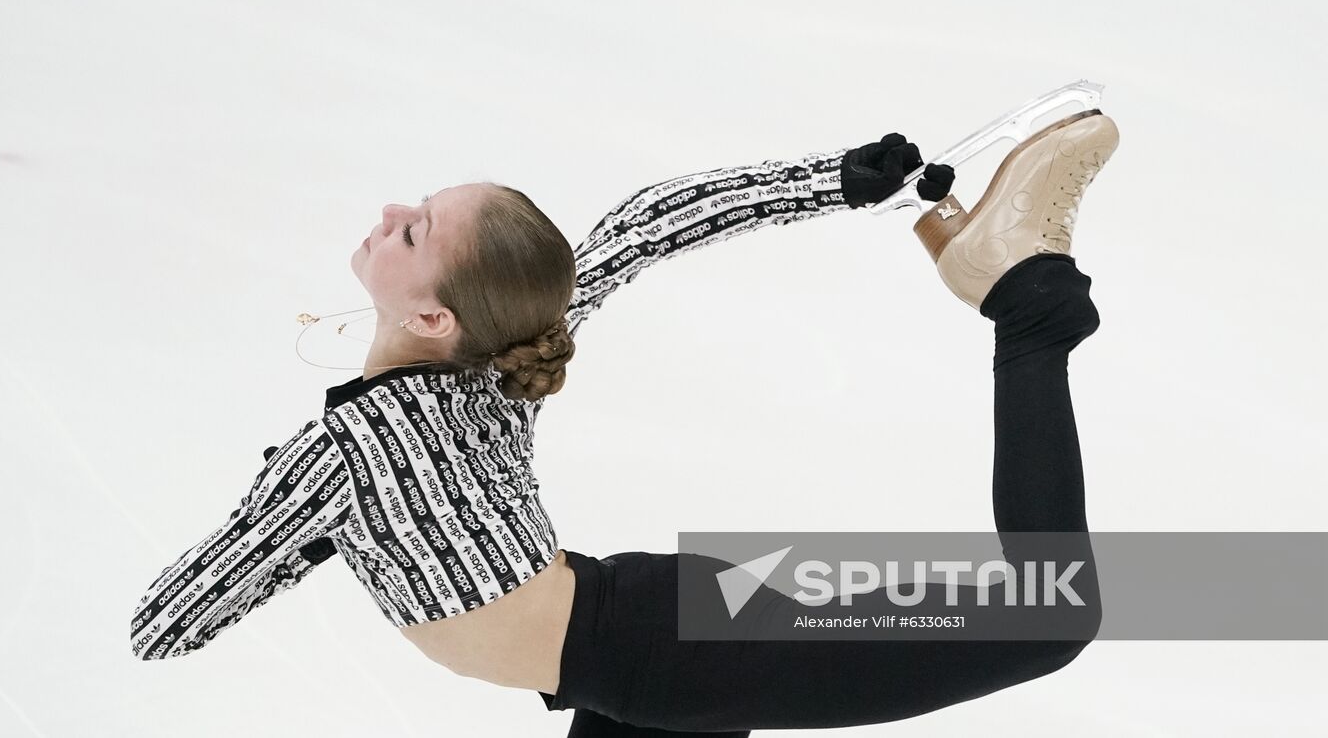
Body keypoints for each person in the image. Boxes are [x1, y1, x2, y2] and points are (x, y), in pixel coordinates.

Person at [128, 110, 1113, 735]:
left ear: (434, 319)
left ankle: (1027, 309)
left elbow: (166, 625)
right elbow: (640, 229)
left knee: (1047, 613)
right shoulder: (490, 364)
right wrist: (829, 179)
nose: (390, 212)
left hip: (676, 652)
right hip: (644, 656)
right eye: (413, 217)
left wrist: (285, 527)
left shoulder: (348, 454)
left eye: (414, 226)